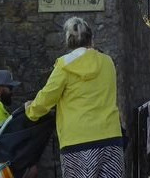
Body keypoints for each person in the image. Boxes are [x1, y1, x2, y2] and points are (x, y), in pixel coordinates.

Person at [25, 17, 124, 178]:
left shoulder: (64, 66)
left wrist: (31, 110)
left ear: (68, 42)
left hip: (78, 142)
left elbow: (47, 97)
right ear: (91, 38)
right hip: (111, 139)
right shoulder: (108, 62)